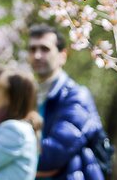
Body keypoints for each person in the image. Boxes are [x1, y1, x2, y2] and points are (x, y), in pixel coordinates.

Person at [28, 24, 108, 180]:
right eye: (32, 49)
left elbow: (50, 157)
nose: (37, 55)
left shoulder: (76, 97)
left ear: (62, 56)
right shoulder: (29, 97)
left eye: (45, 49)